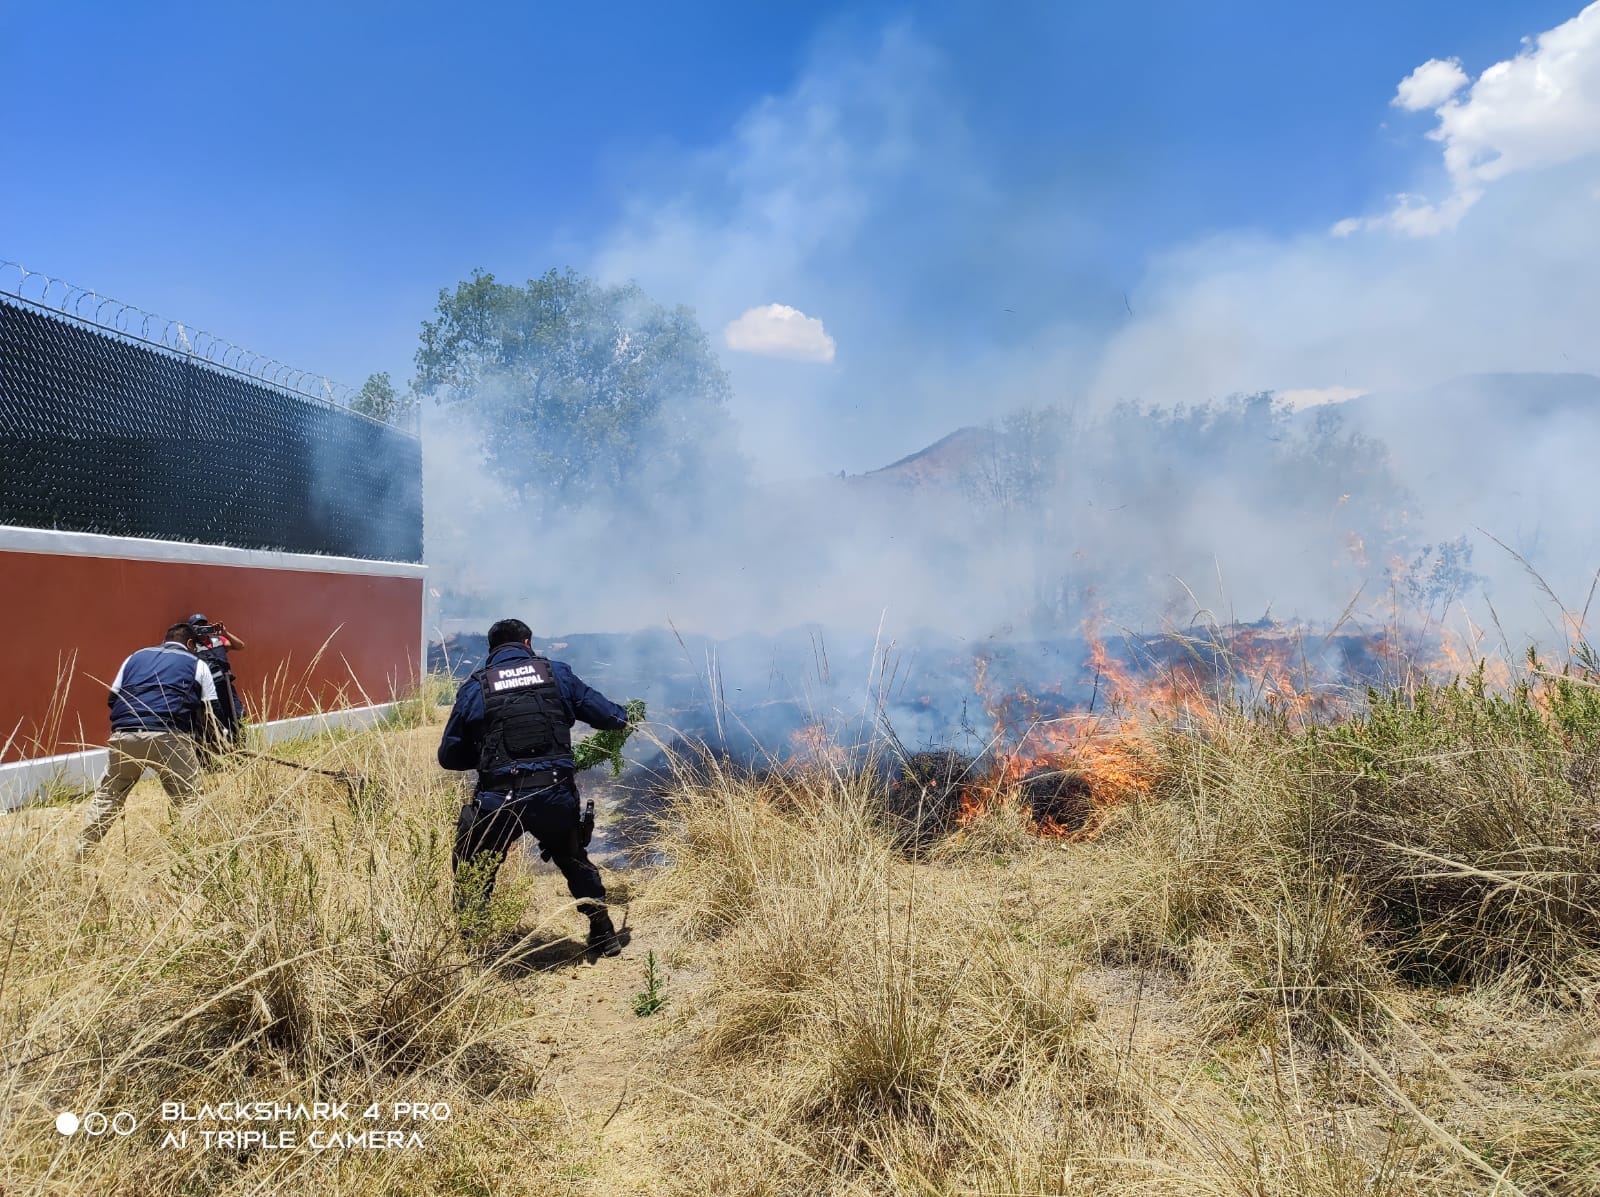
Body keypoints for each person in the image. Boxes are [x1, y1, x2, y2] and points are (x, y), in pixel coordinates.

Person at [438, 617, 632, 956]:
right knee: (574, 860)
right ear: (528, 643)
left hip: (499, 798)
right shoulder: (556, 673)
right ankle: (604, 932)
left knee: (474, 867)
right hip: (553, 793)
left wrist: (490, 756)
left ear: (492, 650)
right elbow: (610, 718)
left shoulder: (475, 686)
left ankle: (474, 951)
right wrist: (625, 715)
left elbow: (449, 755)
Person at [76, 623, 218, 857]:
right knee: (189, 798)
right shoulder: (197, 664)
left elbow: (113, 698)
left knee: (108, 796)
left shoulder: (135, 657)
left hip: (125, 734)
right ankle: (199, 857)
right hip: (170, 736)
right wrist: (212, 744)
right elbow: (210, 709)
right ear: (191, 644)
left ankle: (80, 854)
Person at [186, 613, 246, 754]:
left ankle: (241, 750)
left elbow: (240, 646)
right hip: (208, 691)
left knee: (237, 716)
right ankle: (223, 752)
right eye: (197, 627)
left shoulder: (218, 639)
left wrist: (225, 632)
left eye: (204, 625)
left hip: (226, 686)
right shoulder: (191, 646)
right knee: (216, 721)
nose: (201, 629)